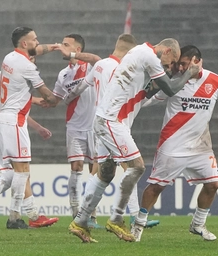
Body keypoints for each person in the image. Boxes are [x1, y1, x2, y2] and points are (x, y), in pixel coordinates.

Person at [67, 38, 201, 243]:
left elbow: (147, 91)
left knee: (105, 173)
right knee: (137, 167)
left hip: (106, 119)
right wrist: (189, 73)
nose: (169, 67)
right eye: (170, 62)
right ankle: (117, 218)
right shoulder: (149, 56)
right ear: (166, 51)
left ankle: (80, 222)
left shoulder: (140, 54)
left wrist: (171, 77)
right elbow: (171, 89)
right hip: (112, 121)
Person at [131, 45, 218, 242]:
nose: (179, 69)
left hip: (200, 146)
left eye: (184, 64)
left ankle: (198, 224)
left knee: (212, 184)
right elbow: (152, 100)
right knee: (156, 187)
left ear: (197, 61)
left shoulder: (216, 81)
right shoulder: (175, 82)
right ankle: (138, 225)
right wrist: (130, 107)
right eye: (178, 65)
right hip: (172, 144)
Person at [64, 34, 159, 230]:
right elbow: (132, 98)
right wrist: (157, 97)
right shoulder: (120, 69)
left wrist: (65, 98)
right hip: (114, 123)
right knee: (131, 167)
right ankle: (130, 215)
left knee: (101, 172)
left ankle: (85, 216)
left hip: (98, 122)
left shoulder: (100, 65)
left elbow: (82, 86)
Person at [0, 26, 60, 229]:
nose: (38, 42)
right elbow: (49, 95)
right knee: (22, 170)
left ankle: (15, 218)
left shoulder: (9, 58)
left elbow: (36, 51)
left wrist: (52, 47)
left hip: (10, 119)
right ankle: (32, 215)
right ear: (24, 43)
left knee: (15, 172)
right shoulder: (27, 66)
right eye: (34, 39)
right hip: (14, 121)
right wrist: (60, 98)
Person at [40, 34, 102, 228]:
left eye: (66, 45)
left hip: (94, 127)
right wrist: (38, 98)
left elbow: (97, 59)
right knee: (76, 168)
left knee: (96, 171)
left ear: (78, 49)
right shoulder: (63, 74)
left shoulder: (90, 66)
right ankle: (76, 214)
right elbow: (56, 99)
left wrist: (74, 54)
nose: (61, 46)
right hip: (74, 127)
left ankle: (92, 215)